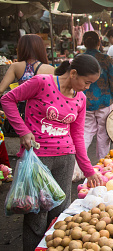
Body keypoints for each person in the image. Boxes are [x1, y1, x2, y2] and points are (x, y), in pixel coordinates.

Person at [1, 55, 103, 251]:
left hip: (65, 159)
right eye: (87, 82)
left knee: (60, 213)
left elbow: (78, 136)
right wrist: (23, 131)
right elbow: (7, 100)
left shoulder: (80, 98)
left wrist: (88, 170)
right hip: (38, 159)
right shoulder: (42, 83)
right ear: (73, 73)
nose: (87, 88)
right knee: (36, 215)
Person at [82, 31, 113, 160]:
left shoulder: (79, 60)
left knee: (86, 132)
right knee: (104, 132)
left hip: (84, 102)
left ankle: (78, 168)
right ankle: (103, 164)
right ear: (99, 42)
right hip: (104, 101)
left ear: (84, 43)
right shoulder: (105, 59)